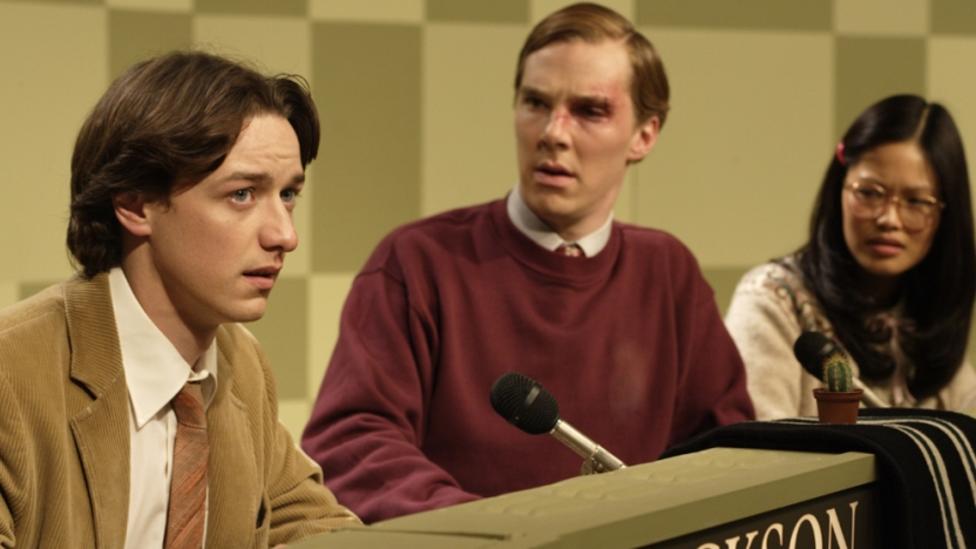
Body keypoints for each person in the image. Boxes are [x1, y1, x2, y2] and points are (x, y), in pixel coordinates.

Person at [301, 2, 754, 523]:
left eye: (589, 111)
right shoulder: (418, 261)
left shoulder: (668, 272)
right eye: (536, 103)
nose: (553, 133)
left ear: (644, 135)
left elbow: (727, 455)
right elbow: (353, 443)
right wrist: (496, 529)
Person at [0, 51, 358, 548]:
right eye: (242, 194)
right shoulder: (12, 375)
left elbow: (314, 528)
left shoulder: (241, 366)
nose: (285, 235)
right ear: (135, 204)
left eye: (288, 195)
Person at [726, 94, 976, 420]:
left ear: (946, 214)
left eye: (916, 201)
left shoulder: (929, 310)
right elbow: (756, 448)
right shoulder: (772, 299)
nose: (889, 219)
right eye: (869, 193)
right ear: (839, 190)